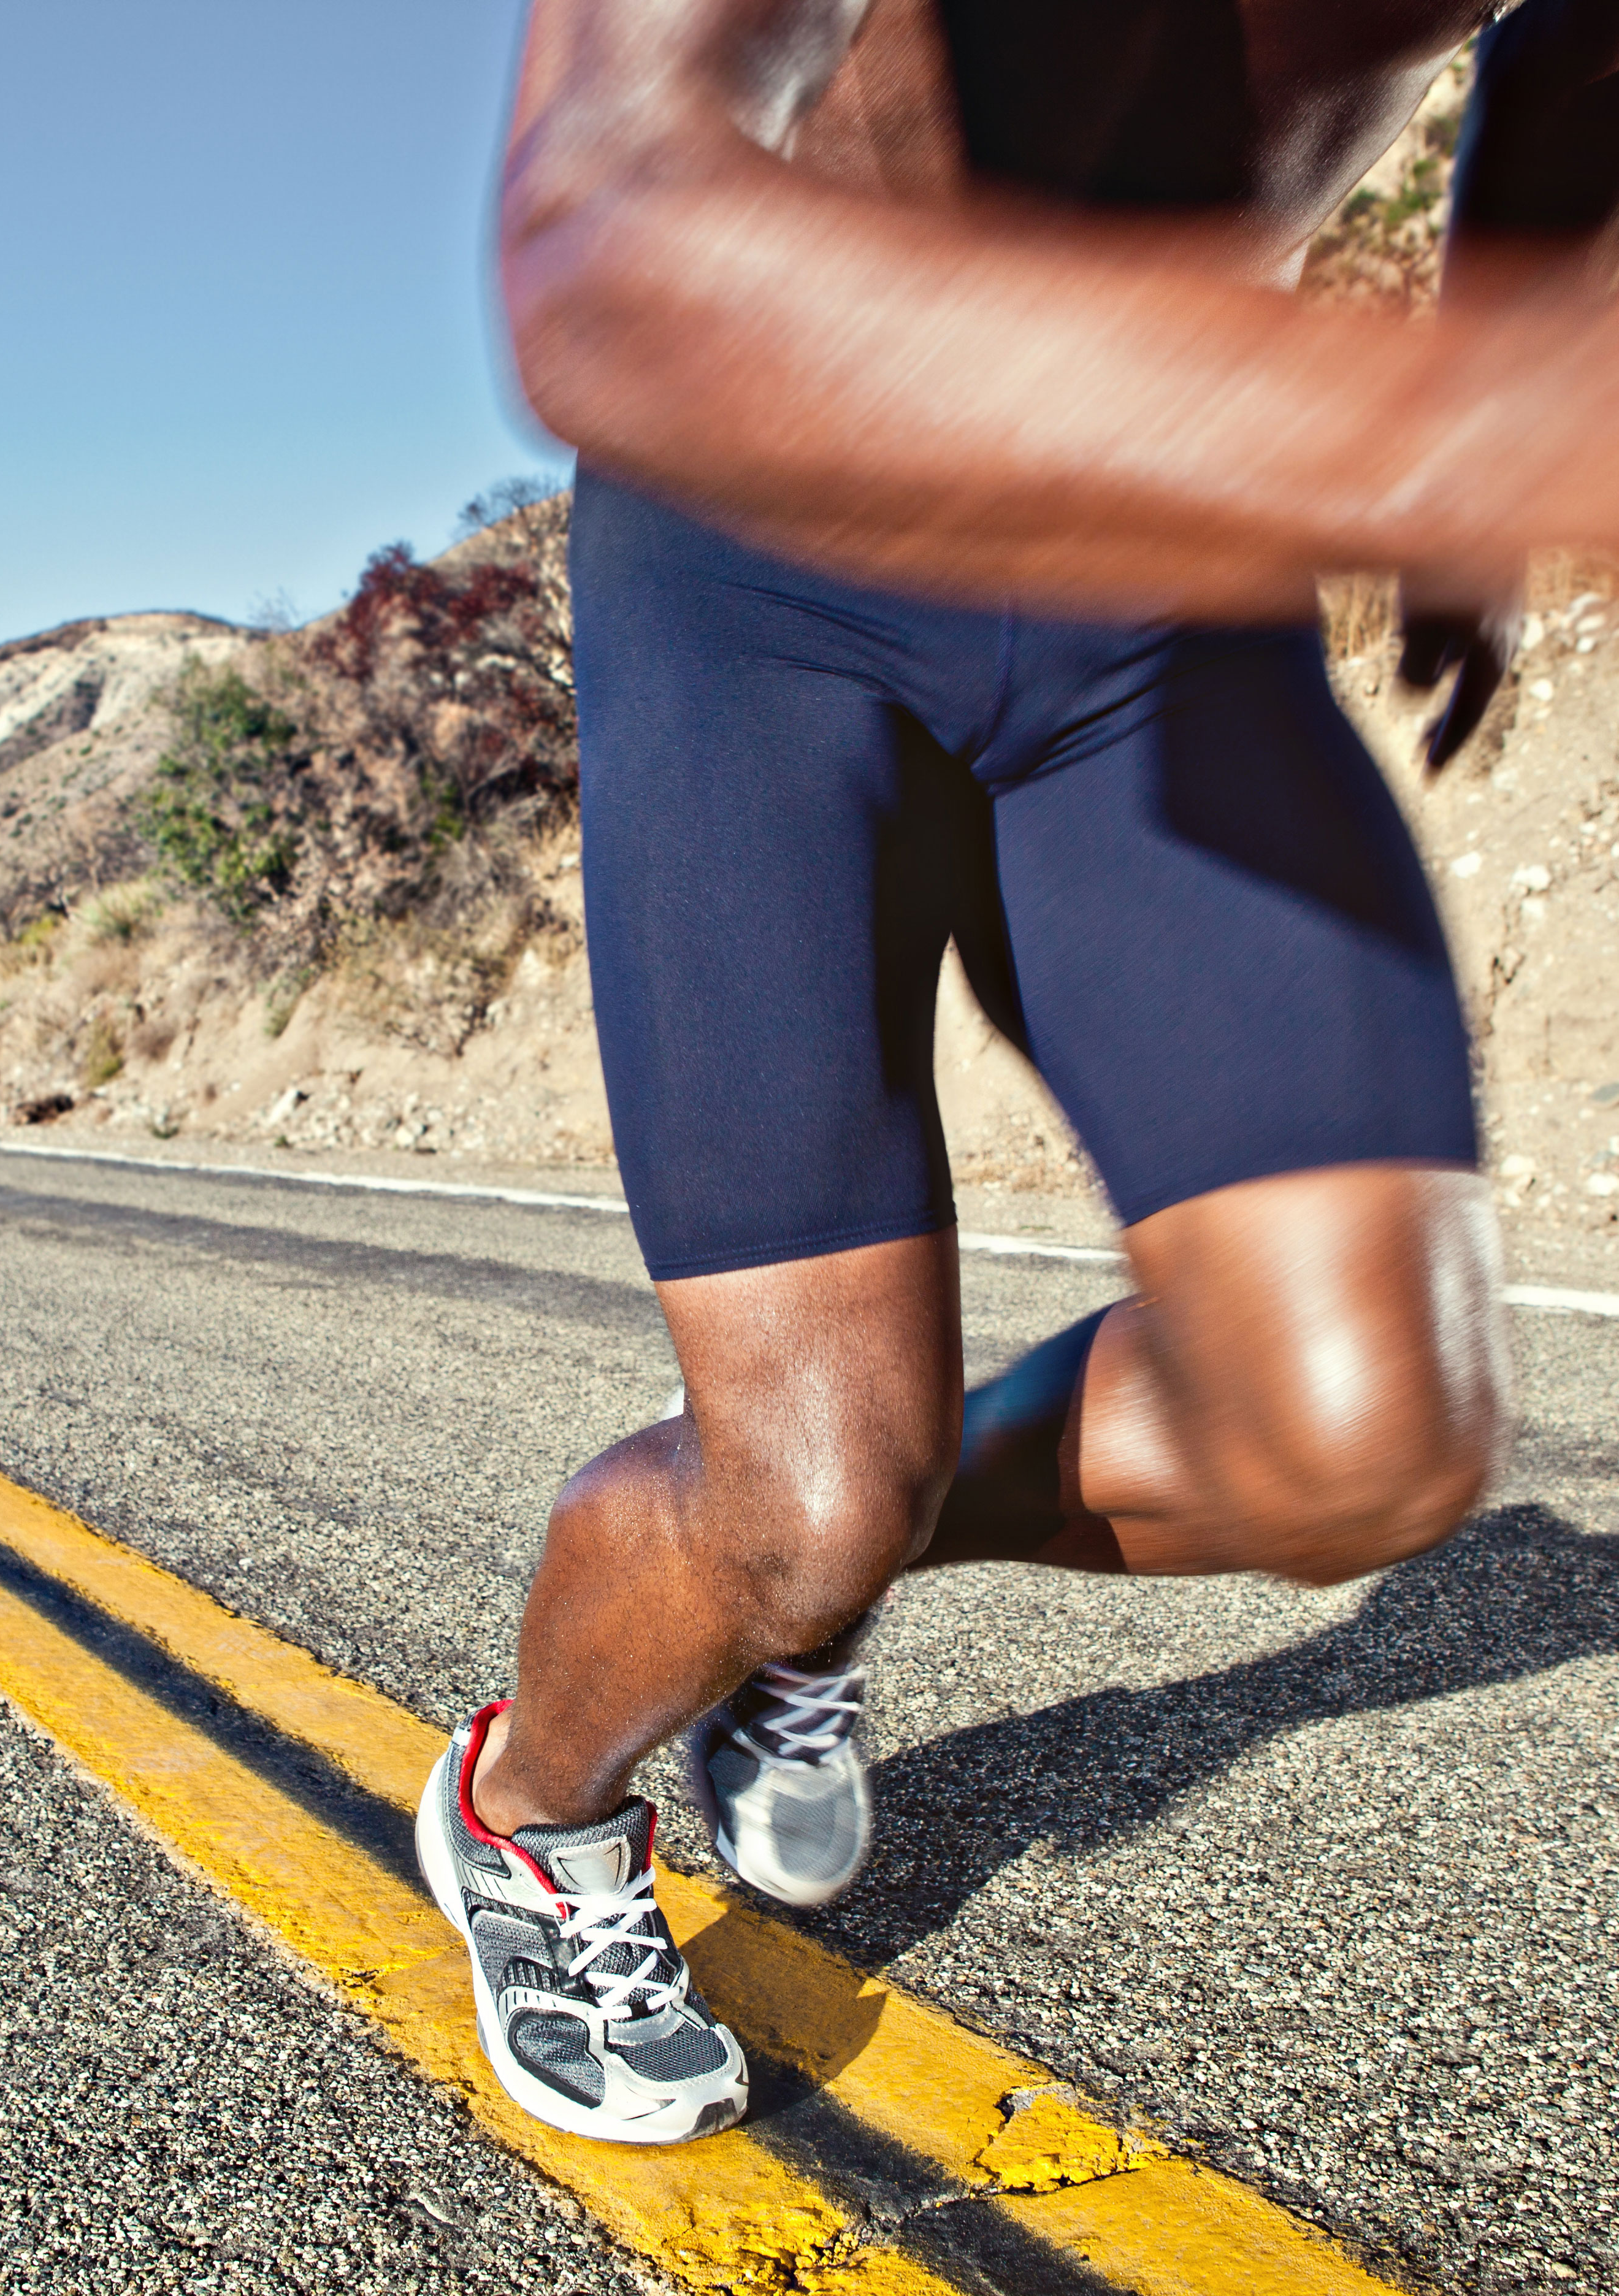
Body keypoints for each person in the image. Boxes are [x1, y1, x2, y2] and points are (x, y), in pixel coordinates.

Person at [415, 0, 1619, 2144]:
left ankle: (828, 1582)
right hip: (765, 562)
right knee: (795, 1490)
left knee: (1360, 1446)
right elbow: (598, 242)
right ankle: (532, 1802)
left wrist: (1474, 441)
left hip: (1161, 574)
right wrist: (1428, 426)